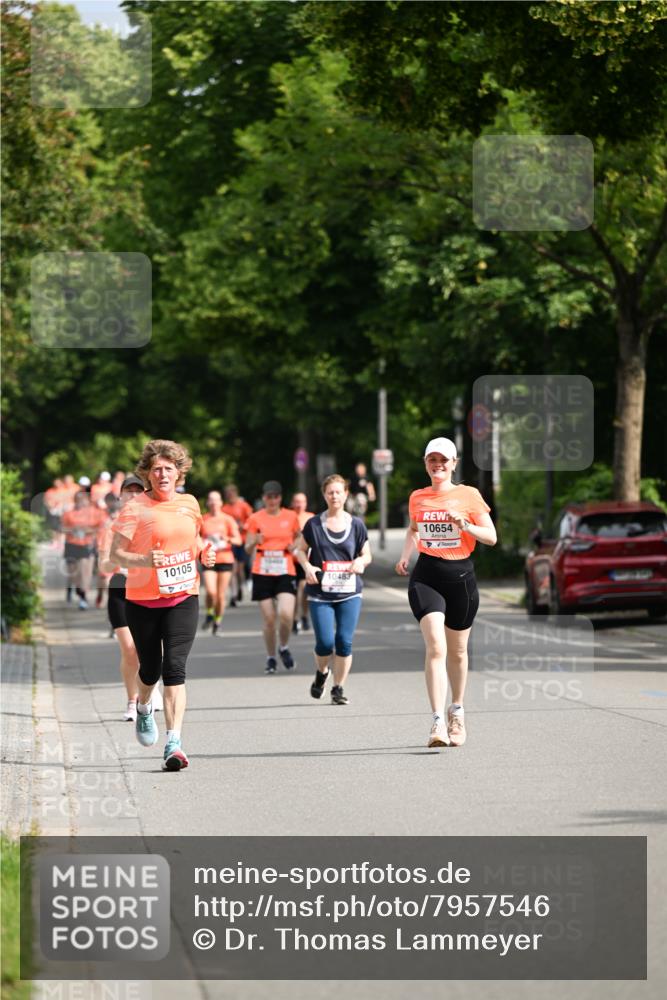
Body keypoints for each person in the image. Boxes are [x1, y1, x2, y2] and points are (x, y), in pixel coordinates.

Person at [109, 439, 215, 771]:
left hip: (183, 596)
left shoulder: (189, 503)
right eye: (156, 469)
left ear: (179, 472)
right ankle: (143, 706)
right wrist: (144, 560)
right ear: (147, 473)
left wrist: (204, 552)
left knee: (175, 669)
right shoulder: (135, 508)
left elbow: (194, 537)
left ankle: (174, 743)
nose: (163, 474)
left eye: (169, 468)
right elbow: (115, 554)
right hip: (142, 601)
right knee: (150, 669)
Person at [395, 437, 497, 748]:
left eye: (443, 460)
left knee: (458, 652)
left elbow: (491, 537)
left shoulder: (469, 495)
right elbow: (414, 529)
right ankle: (437, 721)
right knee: (436, 647)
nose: (438, 465)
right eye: (432, 460)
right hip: (426, 576)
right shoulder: (418, 497)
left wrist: (465, 525)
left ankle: (457, 711)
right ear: (426, 464)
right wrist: (405, 555)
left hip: (461, 578)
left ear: (454, 464)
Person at [295, 474, 372, 705]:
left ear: (346, 494)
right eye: (330, 492)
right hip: (321, 593)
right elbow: (300, 550)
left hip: (350, 592)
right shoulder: (314, 524)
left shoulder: (356, 525)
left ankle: (338, 688)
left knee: (344, 641)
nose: (334, 496)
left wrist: (361, 562)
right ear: (324, 495)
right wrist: (308, 567)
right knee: (325, 643)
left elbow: (367, 554)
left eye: (339, 492)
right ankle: (322, 673)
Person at [98, 475, 163, 720]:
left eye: (138, 491)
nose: (134, 495)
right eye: (129, 491)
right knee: (129, 648)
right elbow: (103, 564)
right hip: (120, 587)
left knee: (150, 647)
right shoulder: (111, 527)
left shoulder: (153, 522)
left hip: (148, 588)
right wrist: (119, 561)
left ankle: (151, 687)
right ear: (121, 496)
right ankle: (132, 700)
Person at [244, 481, 301, 674]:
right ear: (264, 498)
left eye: (275, 496)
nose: (272, 500)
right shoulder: (255, 518)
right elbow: (247, 548)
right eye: (269, 496)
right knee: (269, 619)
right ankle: (271, 657)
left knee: (286, 614)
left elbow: (300, 537)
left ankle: (283, 646)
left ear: (280, 498)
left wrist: (295, 545)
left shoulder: (291, 516)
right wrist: (255, 541)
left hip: (285, 569)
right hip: (263, 571)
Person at [200, 490, 242, 634]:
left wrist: (227, 539)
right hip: (208, 559)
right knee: (210, 592)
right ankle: (209, 612)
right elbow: (196, 538)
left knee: (220, 595)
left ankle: (217, 622)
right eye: (211, 500)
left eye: (216, 500)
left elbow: (238, 540)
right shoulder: (203, 519)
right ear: (208, 503)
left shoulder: (227, 519)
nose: (213, 503)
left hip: (225, 559)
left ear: (221, 502)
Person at [60, 488, 108, 609]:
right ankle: (71, 588)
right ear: (75, 500)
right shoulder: (69, 513)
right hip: (71, 545)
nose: (81, 502)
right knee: (73, 574)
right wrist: (73, 530)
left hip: (87, 545)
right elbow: (62, 528)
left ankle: (83, 598)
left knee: (85, 573)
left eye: (83, 499)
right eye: (78, 499)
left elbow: (101, 526)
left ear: (88, 500)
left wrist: (88, 531)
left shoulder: (94, 513)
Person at [222, 483, 253, 606]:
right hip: (230, 542)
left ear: (235, 494)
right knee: (233, 569)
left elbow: (252, 520)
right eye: (227, 495)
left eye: (231, 494)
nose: (230, 496)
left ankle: (240, 587)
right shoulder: (224, 509)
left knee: (240, 570)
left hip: (243, 541)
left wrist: (243, 526)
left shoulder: (243, 506)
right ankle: (233, 595)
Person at [290, 492, 315, 633]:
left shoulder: (311, 518)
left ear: (306, 503)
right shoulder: (287, 517)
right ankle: (295, 619)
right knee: (293, 592)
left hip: (306, 560)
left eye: (302, 502)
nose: (299, 504)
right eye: (297, 501)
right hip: (290, 560)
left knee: (304, 589)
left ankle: (304, 615)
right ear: (292, 503)